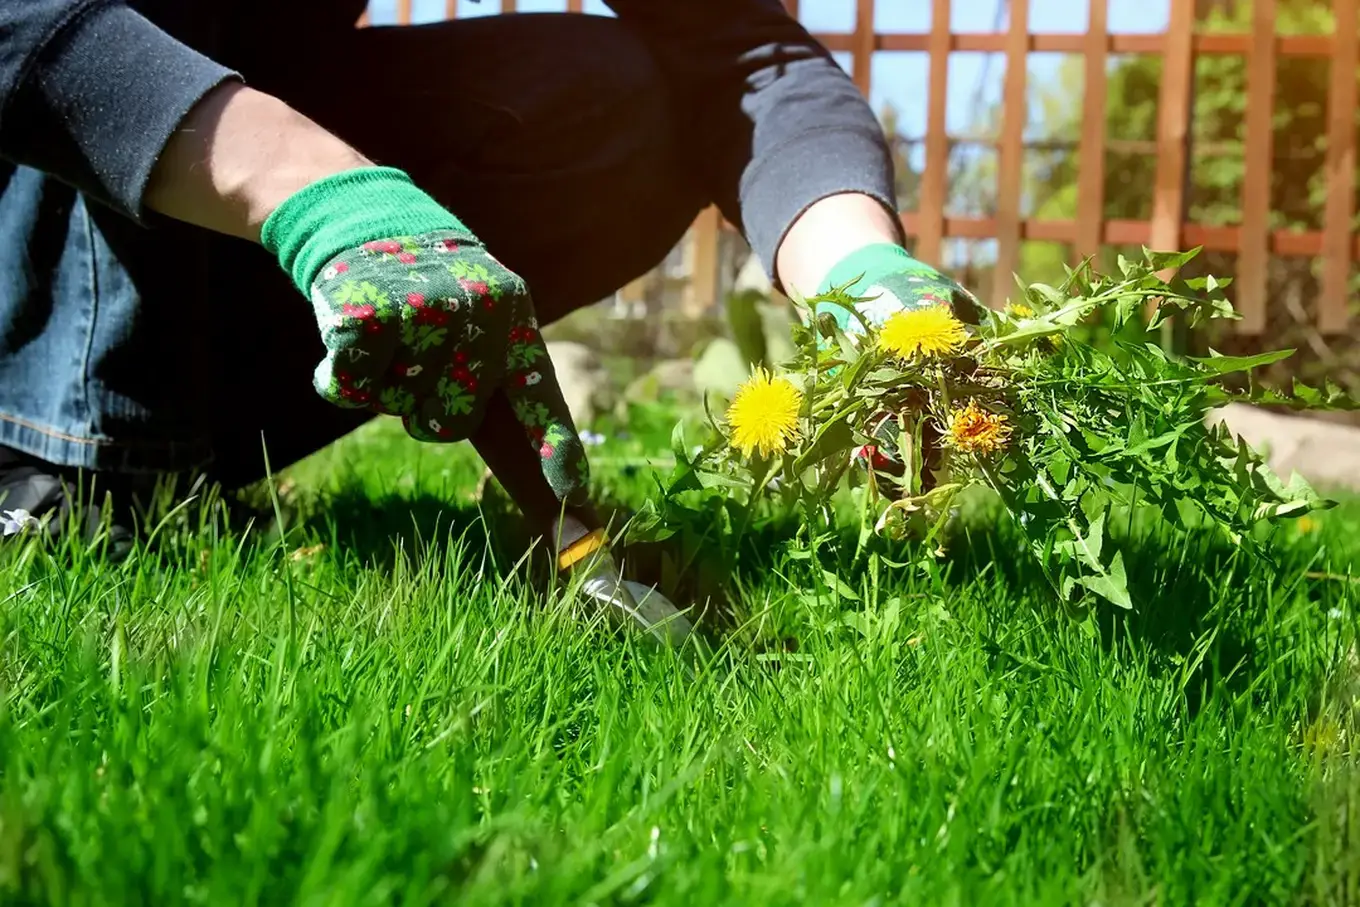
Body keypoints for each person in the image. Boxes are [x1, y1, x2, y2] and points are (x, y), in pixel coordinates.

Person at [0, 0, 979, 631]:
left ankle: (175, 454)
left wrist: (864, 282)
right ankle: (70, 467)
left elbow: (740, 53)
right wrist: (323, 195)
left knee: (606, 102)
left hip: (204, 258)